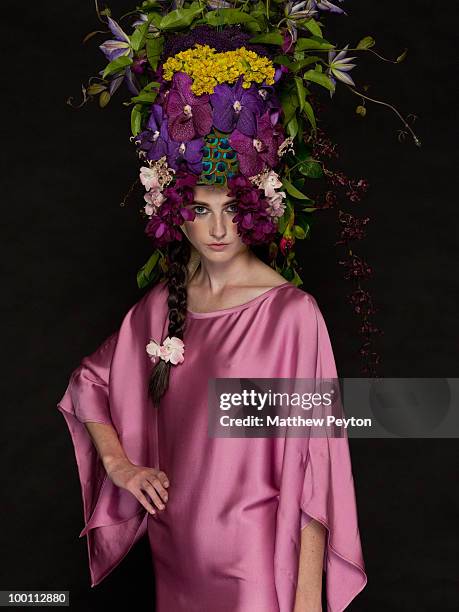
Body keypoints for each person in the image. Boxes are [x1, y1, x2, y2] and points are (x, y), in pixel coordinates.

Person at [57, 14, 367, 612]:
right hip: (175, 560)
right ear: (175, 210)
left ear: (255, 205)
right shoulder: (160, 309)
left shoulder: (292, 317)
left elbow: (315, 471)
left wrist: (305, 604)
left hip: (256, 566)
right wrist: (121, 467)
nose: (219, 228)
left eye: (231, 207)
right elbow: (89, 384)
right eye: (200, 209)